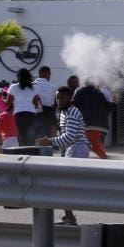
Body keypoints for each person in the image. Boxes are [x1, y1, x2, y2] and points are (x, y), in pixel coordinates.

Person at [36, 85, 89, 226]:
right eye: (58, 97)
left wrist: (49, 141)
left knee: (63, 185)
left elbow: (70, 137)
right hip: (74, 149)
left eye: (63, 98)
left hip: (77, 149)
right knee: (64, 185)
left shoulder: (71, 113)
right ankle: (69, 217)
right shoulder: (64, 112)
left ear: (70, 98)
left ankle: (70, 217)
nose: (59, 100)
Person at [73, 78, 111, 159]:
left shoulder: (80, 91)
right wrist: (114, 102)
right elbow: (108, 107)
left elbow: (74, 105)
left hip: (85, 123)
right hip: (99, 125)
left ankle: (104, 158)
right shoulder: (100, 93)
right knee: (95, 142)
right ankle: (103, 157)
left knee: (90, 143)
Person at [6, 68, 41, 145]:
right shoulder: (34, 88)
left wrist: (2, 98)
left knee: (22, 135)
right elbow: (36, 105)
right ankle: (32, 152)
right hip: (31, 114)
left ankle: (24, 152)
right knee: (31, 136)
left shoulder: (13, 87)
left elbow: (8, 103)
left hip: (19, 114)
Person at [33, 65, 58, 136]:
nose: (50, 76)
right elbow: (54, 102)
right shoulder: (52, 86)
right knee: (46, 139)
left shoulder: (32, 85)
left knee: (33, 139)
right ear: (46, 73)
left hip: (33, 115)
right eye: (49, 74)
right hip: (47, 116)